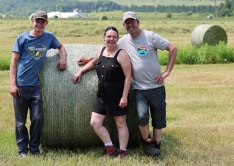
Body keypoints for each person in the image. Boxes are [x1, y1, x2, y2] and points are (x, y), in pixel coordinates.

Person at [77, 11, 178, 157]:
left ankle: (156, 145)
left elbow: (173, 48)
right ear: (124, 25)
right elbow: (108, 51)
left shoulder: (150, 36)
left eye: (132, 21)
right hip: (138, 88)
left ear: (138, 22)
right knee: (142, 117)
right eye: (127, 22)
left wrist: (167, 72)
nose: (130, 25)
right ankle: (147, 144)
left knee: (158, 119)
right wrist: (87, 60)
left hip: (156, 86)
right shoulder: (123, 40)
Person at [10, 10, 67, 158]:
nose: (39, 24)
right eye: (37, 21)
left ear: (46, 23)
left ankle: (34, 149)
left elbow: (61, 46)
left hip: (36, 87)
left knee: (37, 118)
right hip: (21, 84)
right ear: (32, 21)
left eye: (42, 21)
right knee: (20, 121)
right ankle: (22, 150)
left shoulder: (49, 37)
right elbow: (14, 61)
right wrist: (13, 84)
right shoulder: (22, 38)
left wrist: (62, 59)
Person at [72, 26, 132, 160]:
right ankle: (109, 146)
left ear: (117, 39)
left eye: (114, 37)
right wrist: (80, 71)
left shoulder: (122, 54)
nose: (111, 39)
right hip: (102, 95)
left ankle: (123, 152)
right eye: (109, 36)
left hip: (117, 94)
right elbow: (94, 63)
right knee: (95, 122)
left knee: (121, 124)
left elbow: (128, 76)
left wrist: (124, 97)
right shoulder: (101, 50)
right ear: (104, 38)